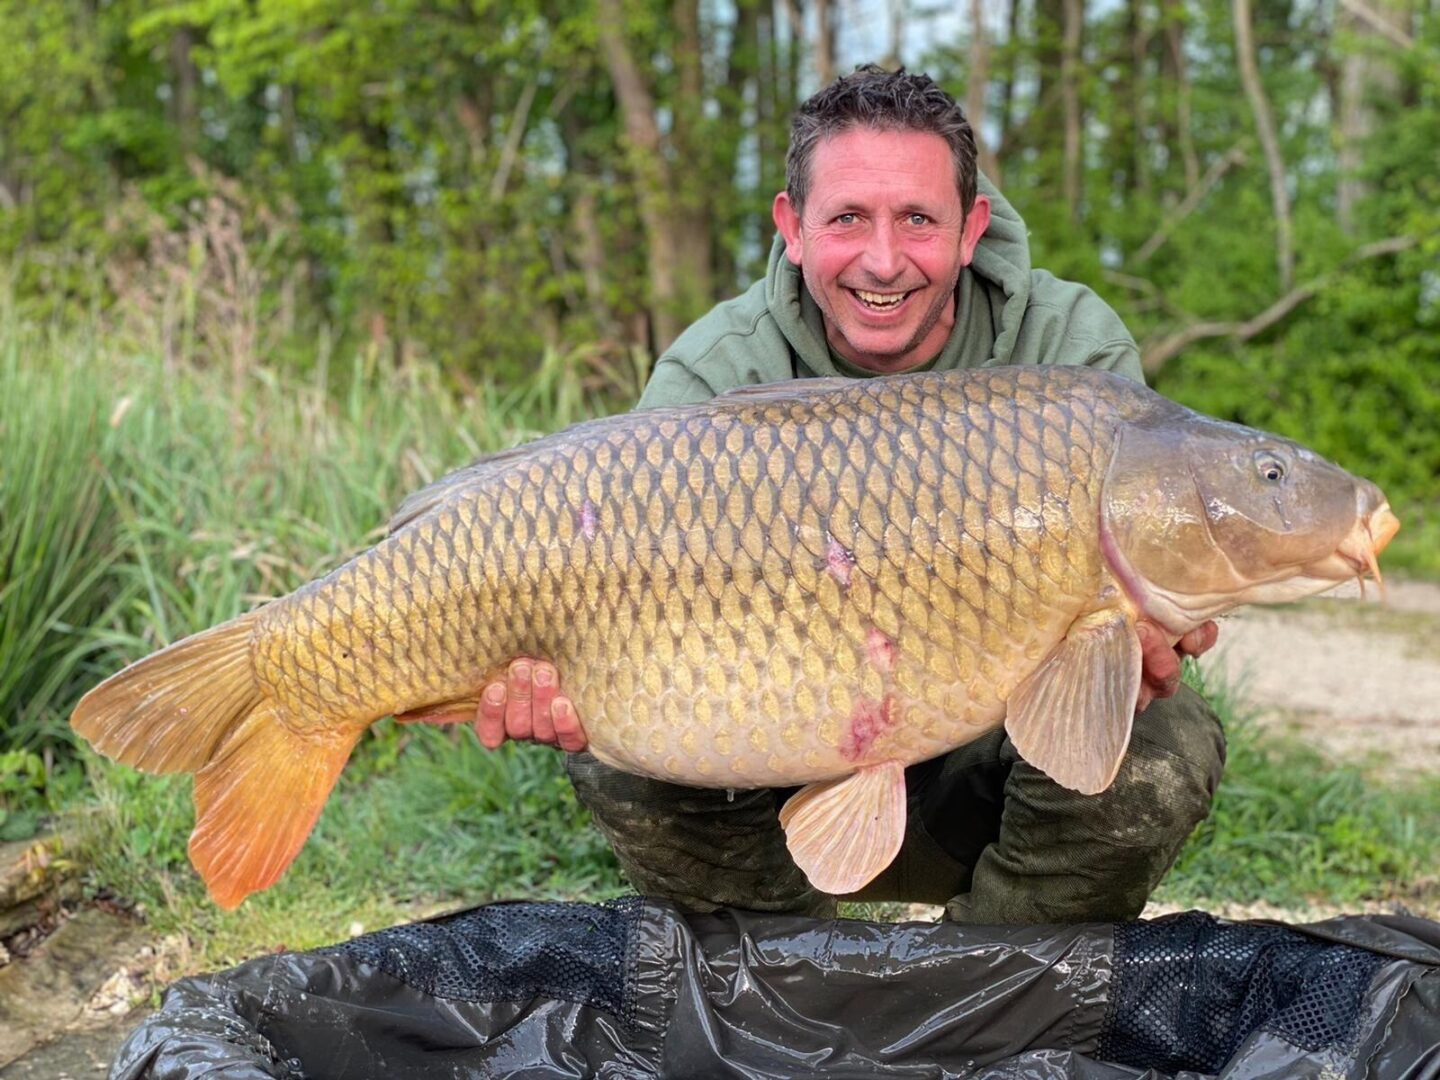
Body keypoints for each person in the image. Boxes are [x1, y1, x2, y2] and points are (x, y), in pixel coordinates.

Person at [468, 66, 1224, 923]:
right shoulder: (715, 372)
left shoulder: (1068, 352)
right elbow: (618, 601)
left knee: (1159, 741)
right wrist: (553, 680)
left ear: (972, 228)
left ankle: (993, 976)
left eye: (918, 220)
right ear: (793, 227)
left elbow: (1134, 610)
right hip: (766, 751)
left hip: (987, 766)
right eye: (848, 219)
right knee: (616, 748)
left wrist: (1137, 642)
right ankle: (781, 978)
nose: (884, 260)